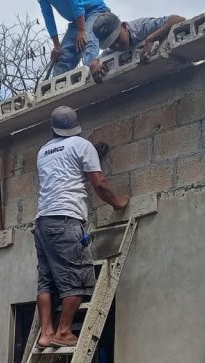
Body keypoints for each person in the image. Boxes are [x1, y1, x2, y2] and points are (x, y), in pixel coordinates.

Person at [34, 106, 128, 348]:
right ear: (75, 126)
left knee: (46, 281)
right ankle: (64, 332)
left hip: (43, 222)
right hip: (65, 220)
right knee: (78, 277)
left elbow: (65, 173)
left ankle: (46, 333)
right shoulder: (82, 145)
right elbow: (99, 184)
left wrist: (92, 154)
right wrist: (118, 203)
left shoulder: (43, 151)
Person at [90, 12, 185, 82]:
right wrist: (94, 64)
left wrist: (151, 39)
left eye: (117, 39)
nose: (116, 45)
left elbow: (178, 19)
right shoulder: (111, 49)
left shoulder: (142, 27)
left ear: (123, 26)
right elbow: (97, 60)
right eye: (111, 44)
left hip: (179, 71)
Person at [39, 0, 111, 78]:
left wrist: (82, 29)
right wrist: (57, 45)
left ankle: (93, 67)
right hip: (77, 20)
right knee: (64, 54)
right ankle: (58, 81)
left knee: (87, 37)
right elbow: (48, 15)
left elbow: (76, 2)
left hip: (95, 10)